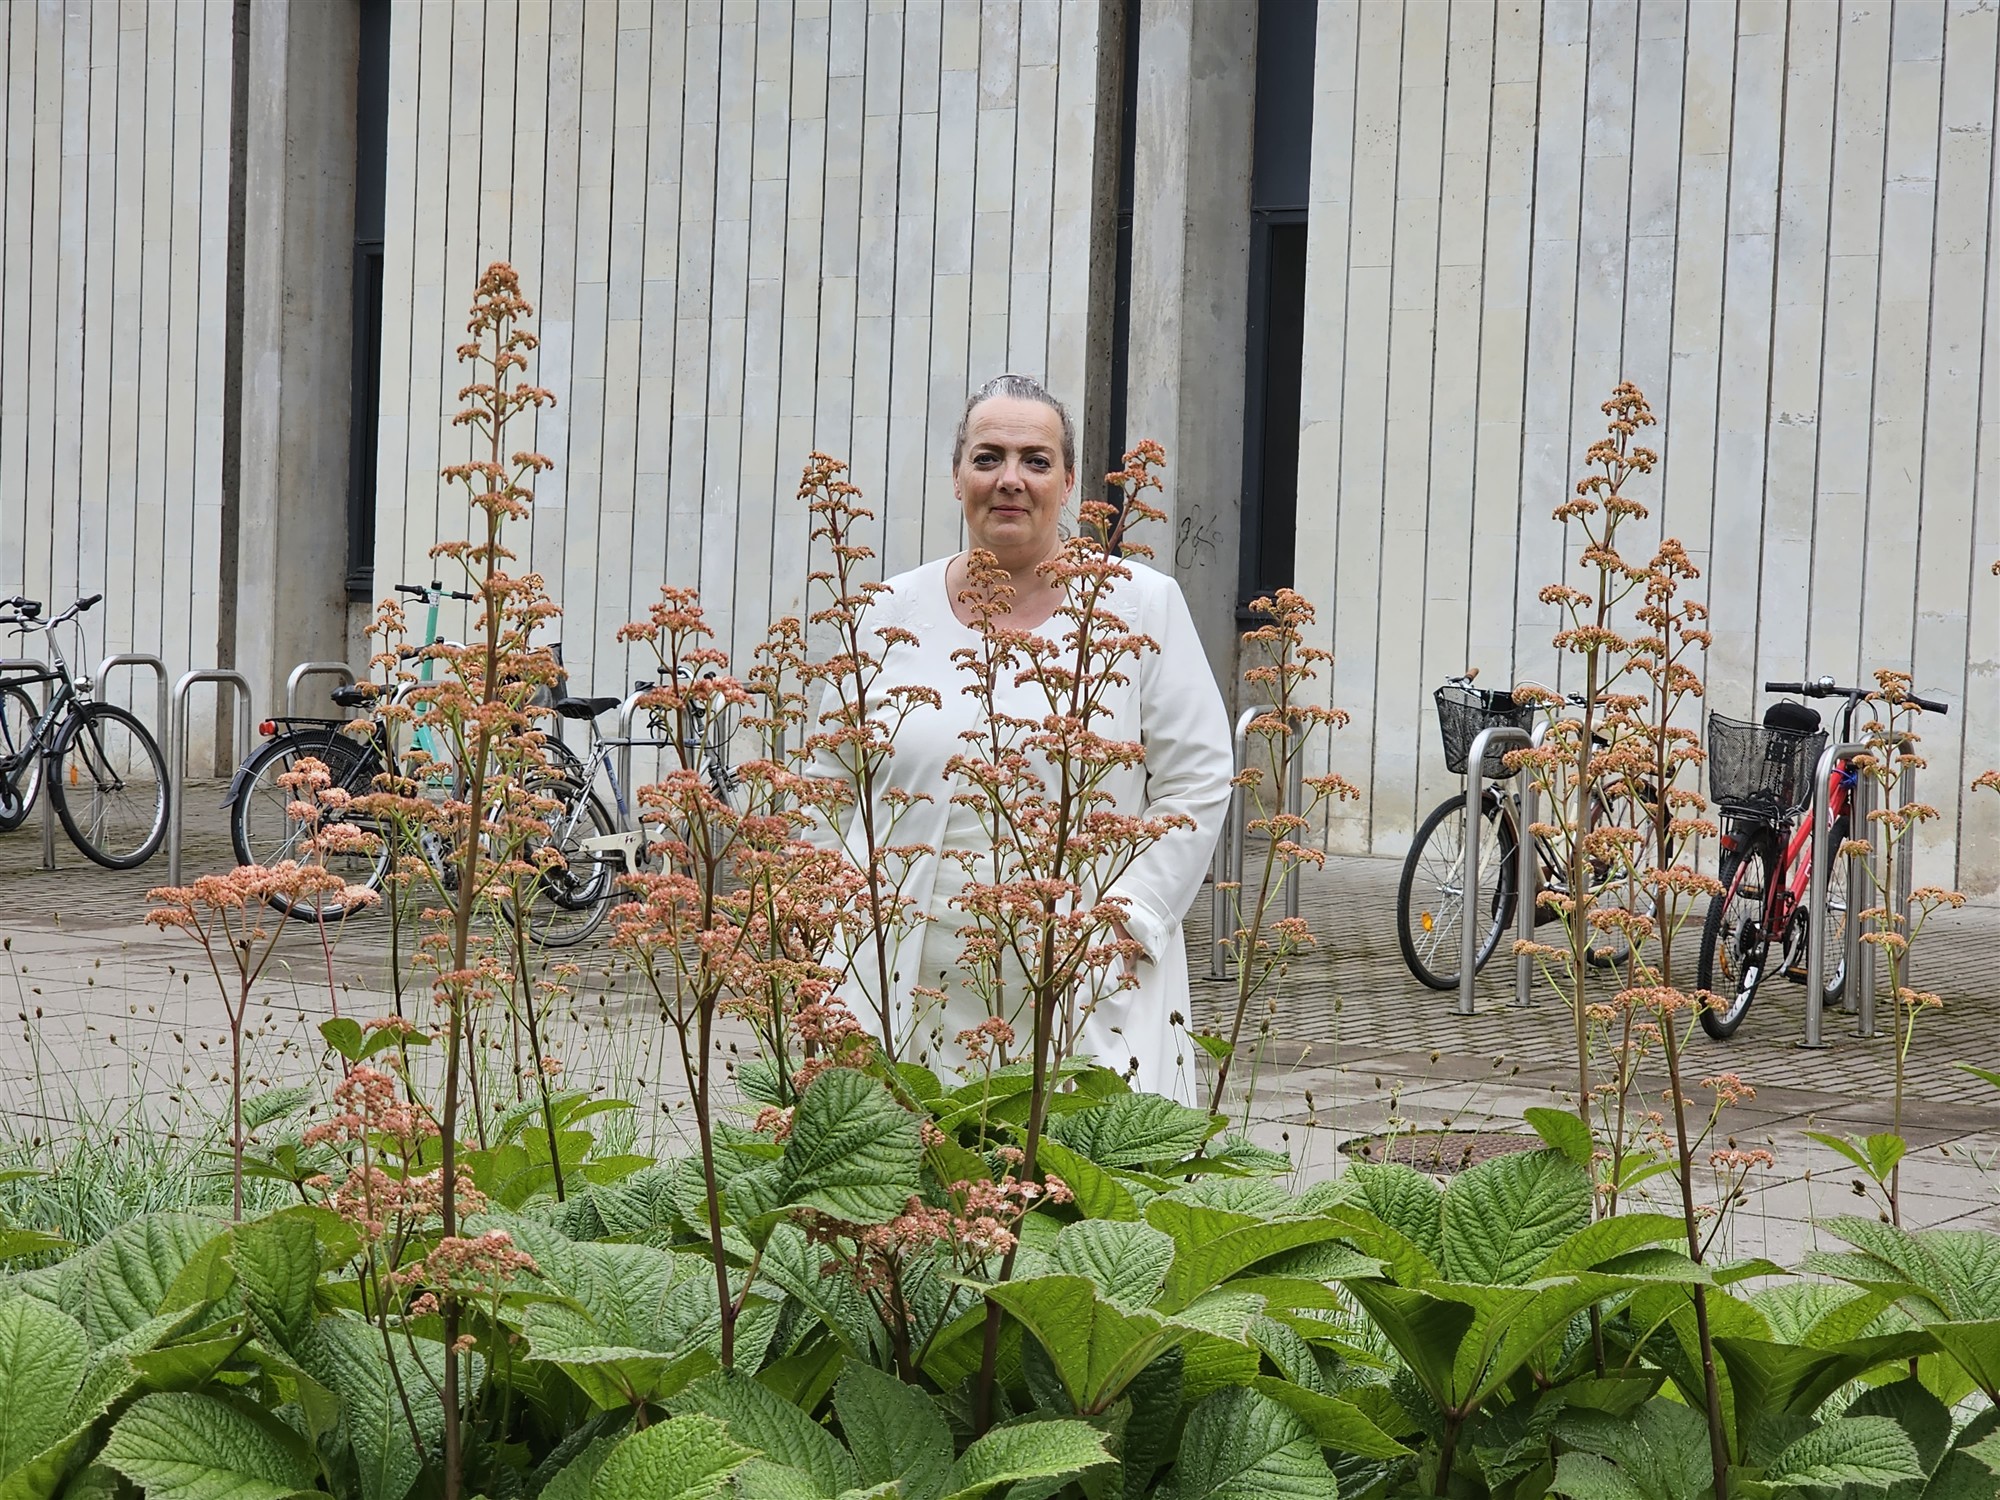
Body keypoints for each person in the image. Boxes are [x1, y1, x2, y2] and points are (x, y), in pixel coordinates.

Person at [812, 373, 1233, 1101]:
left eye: (1036, 461)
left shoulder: (1139, 607)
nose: (1011, 480)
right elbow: (822, 785)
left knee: (1079, 1186)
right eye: (988, 457)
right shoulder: (884, 614)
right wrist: (818, 926)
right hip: (897, 982)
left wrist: (1124, 922)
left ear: (1067, 481)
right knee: (907, 1184)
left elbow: (1196, 781)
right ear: (956, 477)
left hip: (1081, 977)